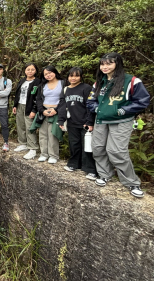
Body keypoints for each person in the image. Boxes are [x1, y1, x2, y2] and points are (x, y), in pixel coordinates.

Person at [87, 53, 150, 198]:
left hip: (121, 120)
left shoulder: (131, 81)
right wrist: (97, 109)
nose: (105, 67)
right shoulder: (99, 82)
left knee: (116, 151)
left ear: (117, 64)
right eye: (102, 64)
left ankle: (131, 182)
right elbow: (91, 101)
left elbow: (143, 100)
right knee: (98, 148)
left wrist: (122, 110)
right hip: (101, 119)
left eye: (109, 63)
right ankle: (104, 175)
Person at [57, 67, 98, 179]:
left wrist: (90, 121)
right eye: (71, 76)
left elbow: (90, 105)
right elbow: (62, 106)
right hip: (72, 122)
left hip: (85, 123)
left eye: (76, 76)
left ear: (81, 77)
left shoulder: (86, 88)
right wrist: (61, 119)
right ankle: (74, 164)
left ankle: (90, 169)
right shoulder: (66, 89)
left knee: (87, 146)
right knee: (74, 145)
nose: (73, 78)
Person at [35, 65, 65, 163]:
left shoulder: (63, 83)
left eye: (50, 72)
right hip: (44, 111)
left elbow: (65, 99)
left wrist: (56, 109)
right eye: (46, 74)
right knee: (43, 133)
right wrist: (42, 110)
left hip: (56, 111)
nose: (48, 75)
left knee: (53, 133)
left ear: (55, 72)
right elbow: (38, 99)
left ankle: (53, 155)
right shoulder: (42, 85)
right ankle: (44, 154)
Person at [12, 63, 40, 159]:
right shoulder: (22, 81)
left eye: (32, 69)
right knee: (20, 125)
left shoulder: (37, 82)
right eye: (28, 69)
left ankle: (32, 148)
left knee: (29, 127)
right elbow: (17, 93)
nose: (30, 71)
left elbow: (38, 97)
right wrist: (15, 105)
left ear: (35, 71)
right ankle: (23, 143)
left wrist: (34, 109)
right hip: (20, 105)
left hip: (30, 107)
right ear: (25, 71)